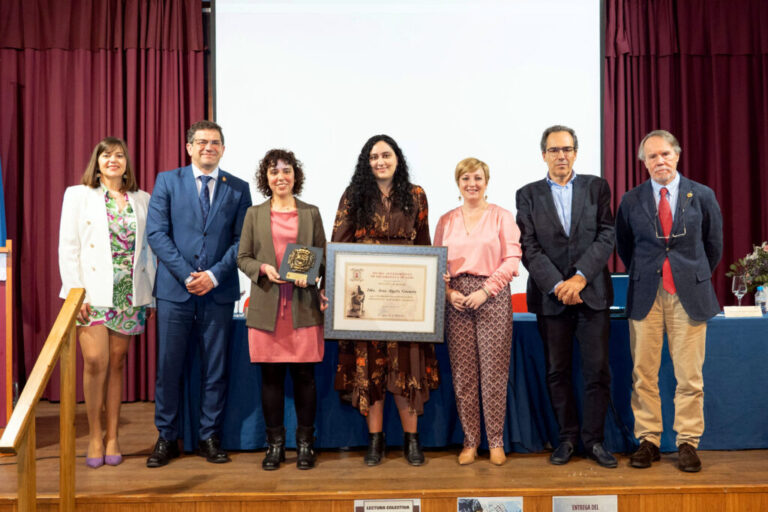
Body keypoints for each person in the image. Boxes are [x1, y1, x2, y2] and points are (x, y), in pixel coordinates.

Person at [616, 130, 723, 473]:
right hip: (646, 294)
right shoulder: (631, 200)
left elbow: (713, 246)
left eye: (665, 154)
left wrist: (688, 275)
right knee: (643, 374)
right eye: (652, 156)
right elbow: (625, 247)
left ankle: (687, 442)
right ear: (643, 162)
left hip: (687, 295)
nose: (659, 161)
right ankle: (648, 439)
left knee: (689, 376)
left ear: (677, 155)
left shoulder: (702, 195)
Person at [146, 120, 251, 467]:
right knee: (169, 367)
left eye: (216, 142)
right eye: (202, 142)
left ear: (223, 148)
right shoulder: (167, 181)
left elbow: (242, 242)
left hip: (217, 293)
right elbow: (157, 233)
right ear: (189, 146)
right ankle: (166, 437)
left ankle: (209, 436)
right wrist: (188, 275)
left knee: (215, 370)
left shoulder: (238, 188)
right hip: (175, 292)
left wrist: (213, 275)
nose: (209, 147)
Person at [332, 134, 440, 466]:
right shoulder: (354, 195)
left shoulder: (416, 195)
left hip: (407, 300)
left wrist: (432, 283)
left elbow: (424, 245)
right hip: (367, 303)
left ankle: (411, 441)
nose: (380, 161)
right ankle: (375, 442)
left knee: (406, 367)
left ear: (397, 159)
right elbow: (338, 242)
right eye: (374, 156)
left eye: (386, 155)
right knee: (372, 369)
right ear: (367, 162)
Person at [515, 125, 617, 468]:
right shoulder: (527, 194)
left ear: (576, 152)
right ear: (543, 154)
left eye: (568, 149)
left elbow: (606, 234)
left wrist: (579, 278)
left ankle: (594, 441)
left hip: (593, 294)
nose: (562, 155)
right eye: (555, 150)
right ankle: (567, 439)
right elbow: (528, 245)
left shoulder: (596, 187)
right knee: (557, 371)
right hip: (551, 297)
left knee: (596, 371)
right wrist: (559, 285)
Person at [58, 137, 156, 468]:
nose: (112, 160)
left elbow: (149, 251)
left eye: (118, 155)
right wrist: (75, 289)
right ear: (96, 162)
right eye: (105, 155)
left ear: (127, 162)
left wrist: (150, 293)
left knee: (116, 363)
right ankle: (94, 434)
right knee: (95, 361)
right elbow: (68, 245)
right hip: (91, 294)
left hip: (130, 294)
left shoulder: (143, 199)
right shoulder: (78, 195)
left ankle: (113, 436)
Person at [237, 149, 327, 470]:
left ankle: (305, 445)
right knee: (271, 380)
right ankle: (274, 446)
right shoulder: (253, 214)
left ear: (295, 176)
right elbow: (242, 256)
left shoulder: (312, 213)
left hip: (303, 307)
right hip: (267, 308)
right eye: (274, 172)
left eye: (286, 171)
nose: (281, 177)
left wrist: (316, 276)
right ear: (266, 178)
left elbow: (323, 259)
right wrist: (262, 268)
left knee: (305, 378)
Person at [434, 157, 521, 466]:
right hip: (456, 300)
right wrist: (448, 292)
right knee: (463, 375)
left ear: (487, 181)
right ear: (458, 183)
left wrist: (486, 291)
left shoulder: (502, 216)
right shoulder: (445, 220)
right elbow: (437, 265)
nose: (472, 183)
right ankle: (470, 441)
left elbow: (512, 260)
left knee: (494, 373)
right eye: (465, 178)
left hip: (492, 297)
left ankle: (495, 441)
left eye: (478, 178)